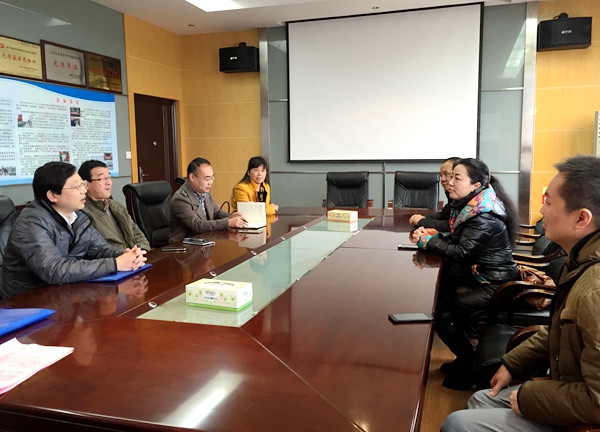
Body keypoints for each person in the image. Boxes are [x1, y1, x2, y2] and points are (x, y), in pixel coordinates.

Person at [441, 154, 600, 431]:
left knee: (457, 423)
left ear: (581, 218)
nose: (541, 211)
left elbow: (597, 402)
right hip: (566, 386)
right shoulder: (579, 261)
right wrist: (512, 364)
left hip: (584, 417)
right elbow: (558, 330)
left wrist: (528, 397)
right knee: (480, 399)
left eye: (548, 202)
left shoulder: (594, 290)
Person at [409, 158, 518, 390]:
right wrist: (434, 236)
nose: (449, 182)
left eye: (457, 178)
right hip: (483, 276)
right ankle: (465, 358)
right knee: (444, 299)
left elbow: (462, 252)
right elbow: (461, 239)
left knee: (441, 312)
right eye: (450, 177)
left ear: (475, 185)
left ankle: (469, 367)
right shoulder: (473, 205)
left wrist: (428, 242)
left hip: (494, 284)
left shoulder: (484, 214)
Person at [0, 162, 146, 299]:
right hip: (29, 300)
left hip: (67, 292)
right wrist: (115, 264)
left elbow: (100, 248)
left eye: (82, 184)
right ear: (53, 195)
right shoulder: (31, 223)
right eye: (76, 187)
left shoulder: (78, 216)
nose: (84, 190)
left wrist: (127, 256)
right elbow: (54, 270)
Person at [169, 157, 248, 242]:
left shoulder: (205, 191)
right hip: (183, 245)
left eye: (212, 178)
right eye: (207, 179)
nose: (210, 182)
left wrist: (230, 216)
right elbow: (197, 225)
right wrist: (227, 222)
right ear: (192, 177)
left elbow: (217, 212)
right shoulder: (181, 198)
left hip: (204, 241)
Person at [78, 160, 150, 251]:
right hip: (116, 258)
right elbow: (96, 249)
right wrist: (127, 256)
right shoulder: (82, 213)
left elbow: (137, 234)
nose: (108, 182)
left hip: (134, 257)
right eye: (102, 178)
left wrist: (142, 250)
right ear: (85, 184)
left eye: (109, 177)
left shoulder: (117, 206)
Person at [409, 156, 461, 230]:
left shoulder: (464, 198)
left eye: (446, 174)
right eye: (441, 175)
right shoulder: (452, 195)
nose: (442, 179)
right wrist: (423, 218)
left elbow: (450, 226)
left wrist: (422, 221)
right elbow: (444, 215)